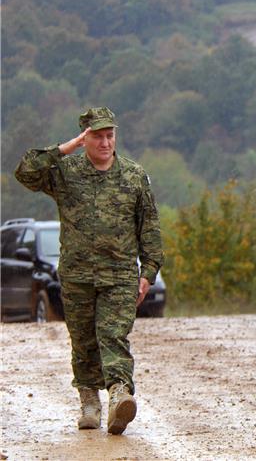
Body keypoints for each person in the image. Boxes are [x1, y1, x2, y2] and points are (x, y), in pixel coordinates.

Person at [15, 107, 163, 435]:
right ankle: (89, 401)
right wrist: (65, 149)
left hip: (119, 276)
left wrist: (148, 271)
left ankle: (119, 395)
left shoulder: (133, 175)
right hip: (77, 275)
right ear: (85, 138)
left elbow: (149, 226)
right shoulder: (66, 173)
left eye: (110, 135)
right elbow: (25, 171)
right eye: (97, 136)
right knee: (83, 341)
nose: (106, 142)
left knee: (112, 335)